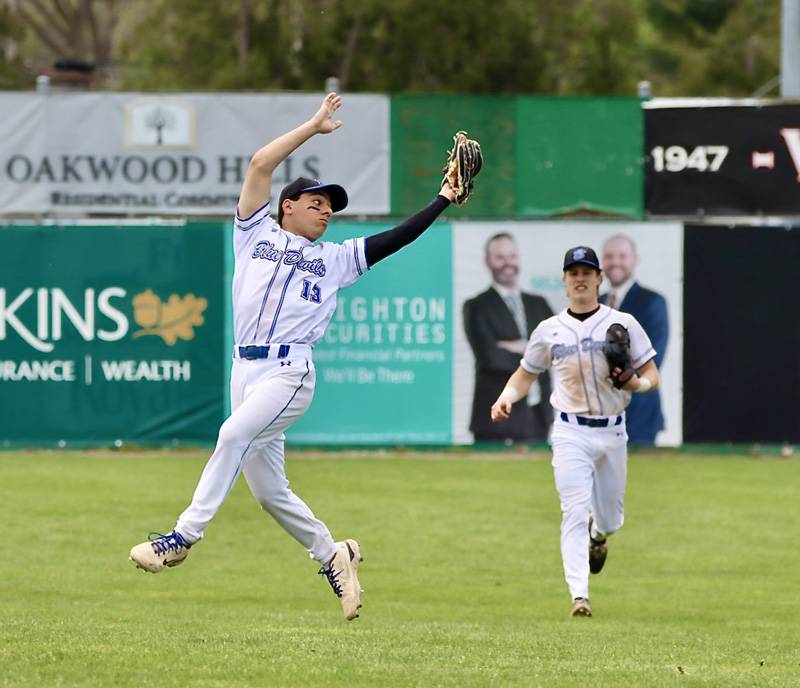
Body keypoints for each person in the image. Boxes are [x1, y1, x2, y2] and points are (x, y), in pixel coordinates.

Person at [129, 93, 464, 621]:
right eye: (317, 202)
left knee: (231, 435)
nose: (327, 211)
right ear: (287, 205)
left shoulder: (334, 260)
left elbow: (396, 238)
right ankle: (334, 555)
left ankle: (181, 537)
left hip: (290, 371)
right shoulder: (253, 232)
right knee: (269, 492)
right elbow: (261, 163)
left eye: (332, 207)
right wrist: (312, 126)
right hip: (245, 369)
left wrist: (442, 198)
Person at [490, 246, 660, 618]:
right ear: (565, 281)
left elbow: (652, 375)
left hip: (613, 432)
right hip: (570, 432)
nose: (580, 278)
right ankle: (579, 595)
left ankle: (599, 537)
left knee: (611, 519)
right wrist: (506, 396)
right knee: (573, 511)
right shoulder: (549, 330)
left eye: (587, 272)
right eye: (573, 273)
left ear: (599, 278)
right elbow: (526, 374)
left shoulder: (624, 322)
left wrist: (636, 386)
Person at [463, 233, 553, 443]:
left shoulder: (538, 304)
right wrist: (535, 352)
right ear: (488, 262)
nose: (507, 263)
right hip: (496, 417)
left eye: (511, 256)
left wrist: (519, 347)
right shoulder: (477, 306)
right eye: (500, 257)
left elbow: (556, 348)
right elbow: (491, 357)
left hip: (538, 416)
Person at [600, 234, 669, 445]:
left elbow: (651, 358)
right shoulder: (596, 304)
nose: (615, 262)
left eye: (622, 256)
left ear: (635, 260)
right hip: (598, 414)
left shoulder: (652, 302)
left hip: (638, 414)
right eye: (610, 256)